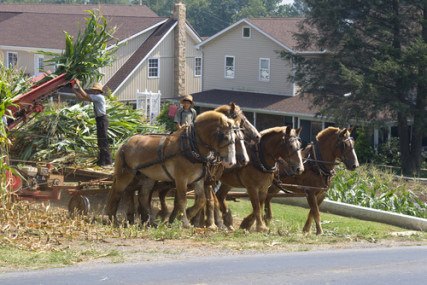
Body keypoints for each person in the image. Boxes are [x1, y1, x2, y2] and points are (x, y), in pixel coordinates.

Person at [70, 79, 112, 167]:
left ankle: (108, 162)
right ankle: (101, 161)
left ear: (97, 91)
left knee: (103, 141)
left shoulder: (99, 97)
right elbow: (82, 98)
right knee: (100, 141)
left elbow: (85, 95)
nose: (92, 91)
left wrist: (79, 85)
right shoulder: (96, 97)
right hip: (99, 120)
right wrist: (73, 90)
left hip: (102, 120)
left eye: (93, 90)